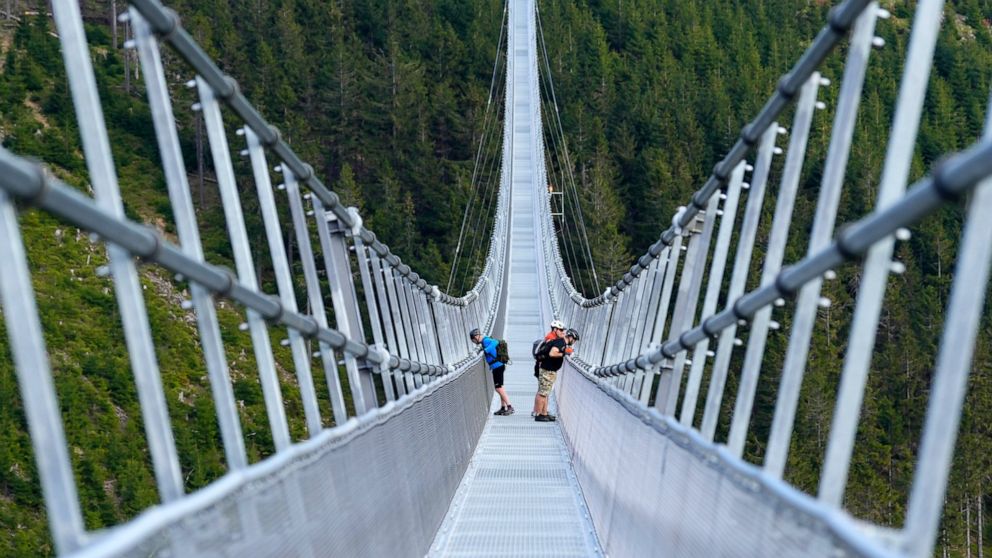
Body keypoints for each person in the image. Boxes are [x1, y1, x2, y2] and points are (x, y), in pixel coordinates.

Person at [533, 327, 579, 422]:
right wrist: (564, 353)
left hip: (549, 370)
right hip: (547, 370)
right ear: (570, 337)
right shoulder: (560, 343)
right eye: (574, 340)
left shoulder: (560, 342)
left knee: (545, 393)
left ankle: (544, 413)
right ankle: (539, 415)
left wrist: (564, 352)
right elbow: (552, 353)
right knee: (543, 393)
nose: (574, 342)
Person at [470, 328, 514, 415]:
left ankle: (509, 406)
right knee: (500, 387)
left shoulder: (486, 340)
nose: (474, 342)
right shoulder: (484, 341)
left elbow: (495, 342)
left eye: (473, 340)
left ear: (476, 337)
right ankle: (503, 407)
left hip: (497, 366)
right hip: (498, 366)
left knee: (498, 388)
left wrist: (486, 350)